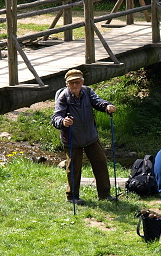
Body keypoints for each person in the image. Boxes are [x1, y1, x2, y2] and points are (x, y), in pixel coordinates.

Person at [51, 69, 118, 204]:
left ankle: (105, 194)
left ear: (82, 82)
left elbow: (97, 101)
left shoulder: (87, 91)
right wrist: (63, 122)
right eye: (71, 83)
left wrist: (107, 106)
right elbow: (56, 117)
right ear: (67, 84)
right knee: (74, 168)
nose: (75, 85)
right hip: (72, 138)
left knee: (100, 162)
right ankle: (72, 197)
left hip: (90, 136)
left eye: (77, 82)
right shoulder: (63, 97)